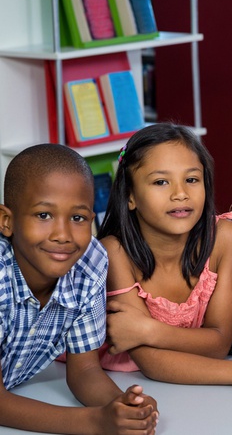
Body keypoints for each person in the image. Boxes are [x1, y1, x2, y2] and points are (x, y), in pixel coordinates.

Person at [98, 124, 232, 394]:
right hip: (127, 384)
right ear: (130, 195)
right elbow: (150, 361)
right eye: (161, 182)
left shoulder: (223, 237)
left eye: (192, 179)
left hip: (197, 384)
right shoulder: (115, 253)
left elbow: (219, 342)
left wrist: (148, 330)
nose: (180, 193)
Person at [0, 144, 158, 434]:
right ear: (6, 221)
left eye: (78, 218)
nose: (63, 235)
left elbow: (84, 371)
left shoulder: (90, 263)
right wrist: (97, 422)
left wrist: (123, 407)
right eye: (43, 215)